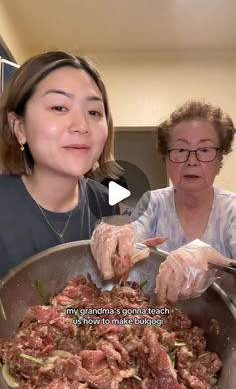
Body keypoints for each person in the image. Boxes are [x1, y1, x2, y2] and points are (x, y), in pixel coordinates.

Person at [91, 100, 236, 302]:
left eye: (204, 150)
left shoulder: (232, 211)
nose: (191, 161)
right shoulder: (153, 202)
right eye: (180, 150)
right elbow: (134, 233)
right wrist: (119, 239)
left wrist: (215, 262)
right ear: (166, 160)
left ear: (220, 161)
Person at [0, 50, 120, 278]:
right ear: (19, 127)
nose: (82, 125)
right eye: (59, 108)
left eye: (94, 111)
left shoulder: (106, 204)